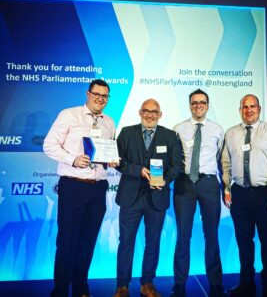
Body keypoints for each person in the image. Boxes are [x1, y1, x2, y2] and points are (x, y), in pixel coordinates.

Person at [43, 79, 117, 297]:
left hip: (98, 188)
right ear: (88, 93)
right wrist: (72, 159)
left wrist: (110, 160)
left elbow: (103, 152)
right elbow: (49, 145)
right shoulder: (69, 115)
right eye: (97, 94)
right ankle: (60, 291)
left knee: (87, 241)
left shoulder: (109, 122)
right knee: (67, 241)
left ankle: (81, 288)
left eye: (105, 96)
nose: (100, 99)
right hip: (73, 186)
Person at [221, 94, 267, 297]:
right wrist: (226, 188)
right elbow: (225, 164)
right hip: (240, 194)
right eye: (245, 106)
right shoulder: (232, 133)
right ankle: (246, 284)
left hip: (265, 194)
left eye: (253, 106)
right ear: (240, 109)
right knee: (244, 242)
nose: (249, 110)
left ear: (259, 109)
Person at [113, 99, 182, 297]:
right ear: (139, 112)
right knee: (126, 241)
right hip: (130, 197)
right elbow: (117, 161)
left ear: (160, 114)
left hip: (157, 197)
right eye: (146, 111)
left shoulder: (170, 136)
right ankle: (122, 285)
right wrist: (137, 170)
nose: (150, 115)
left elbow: (176, 166)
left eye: (154, 112)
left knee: (153, 242)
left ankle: (147, 283)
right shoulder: (126, 132)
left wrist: (164, 180)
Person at [171, 89, 226, 297]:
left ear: (208, 105)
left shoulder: (218, 130)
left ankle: (215, 282)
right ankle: (179, 283)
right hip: (184, 184)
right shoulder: (179, 129)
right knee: (183, 235)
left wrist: (226, 188)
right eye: (194, 103)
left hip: (209, 184)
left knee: (211, 235)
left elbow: (223, 161)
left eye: (202, 102)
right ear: (189, 105)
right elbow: (174, 160)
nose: (198, 106)